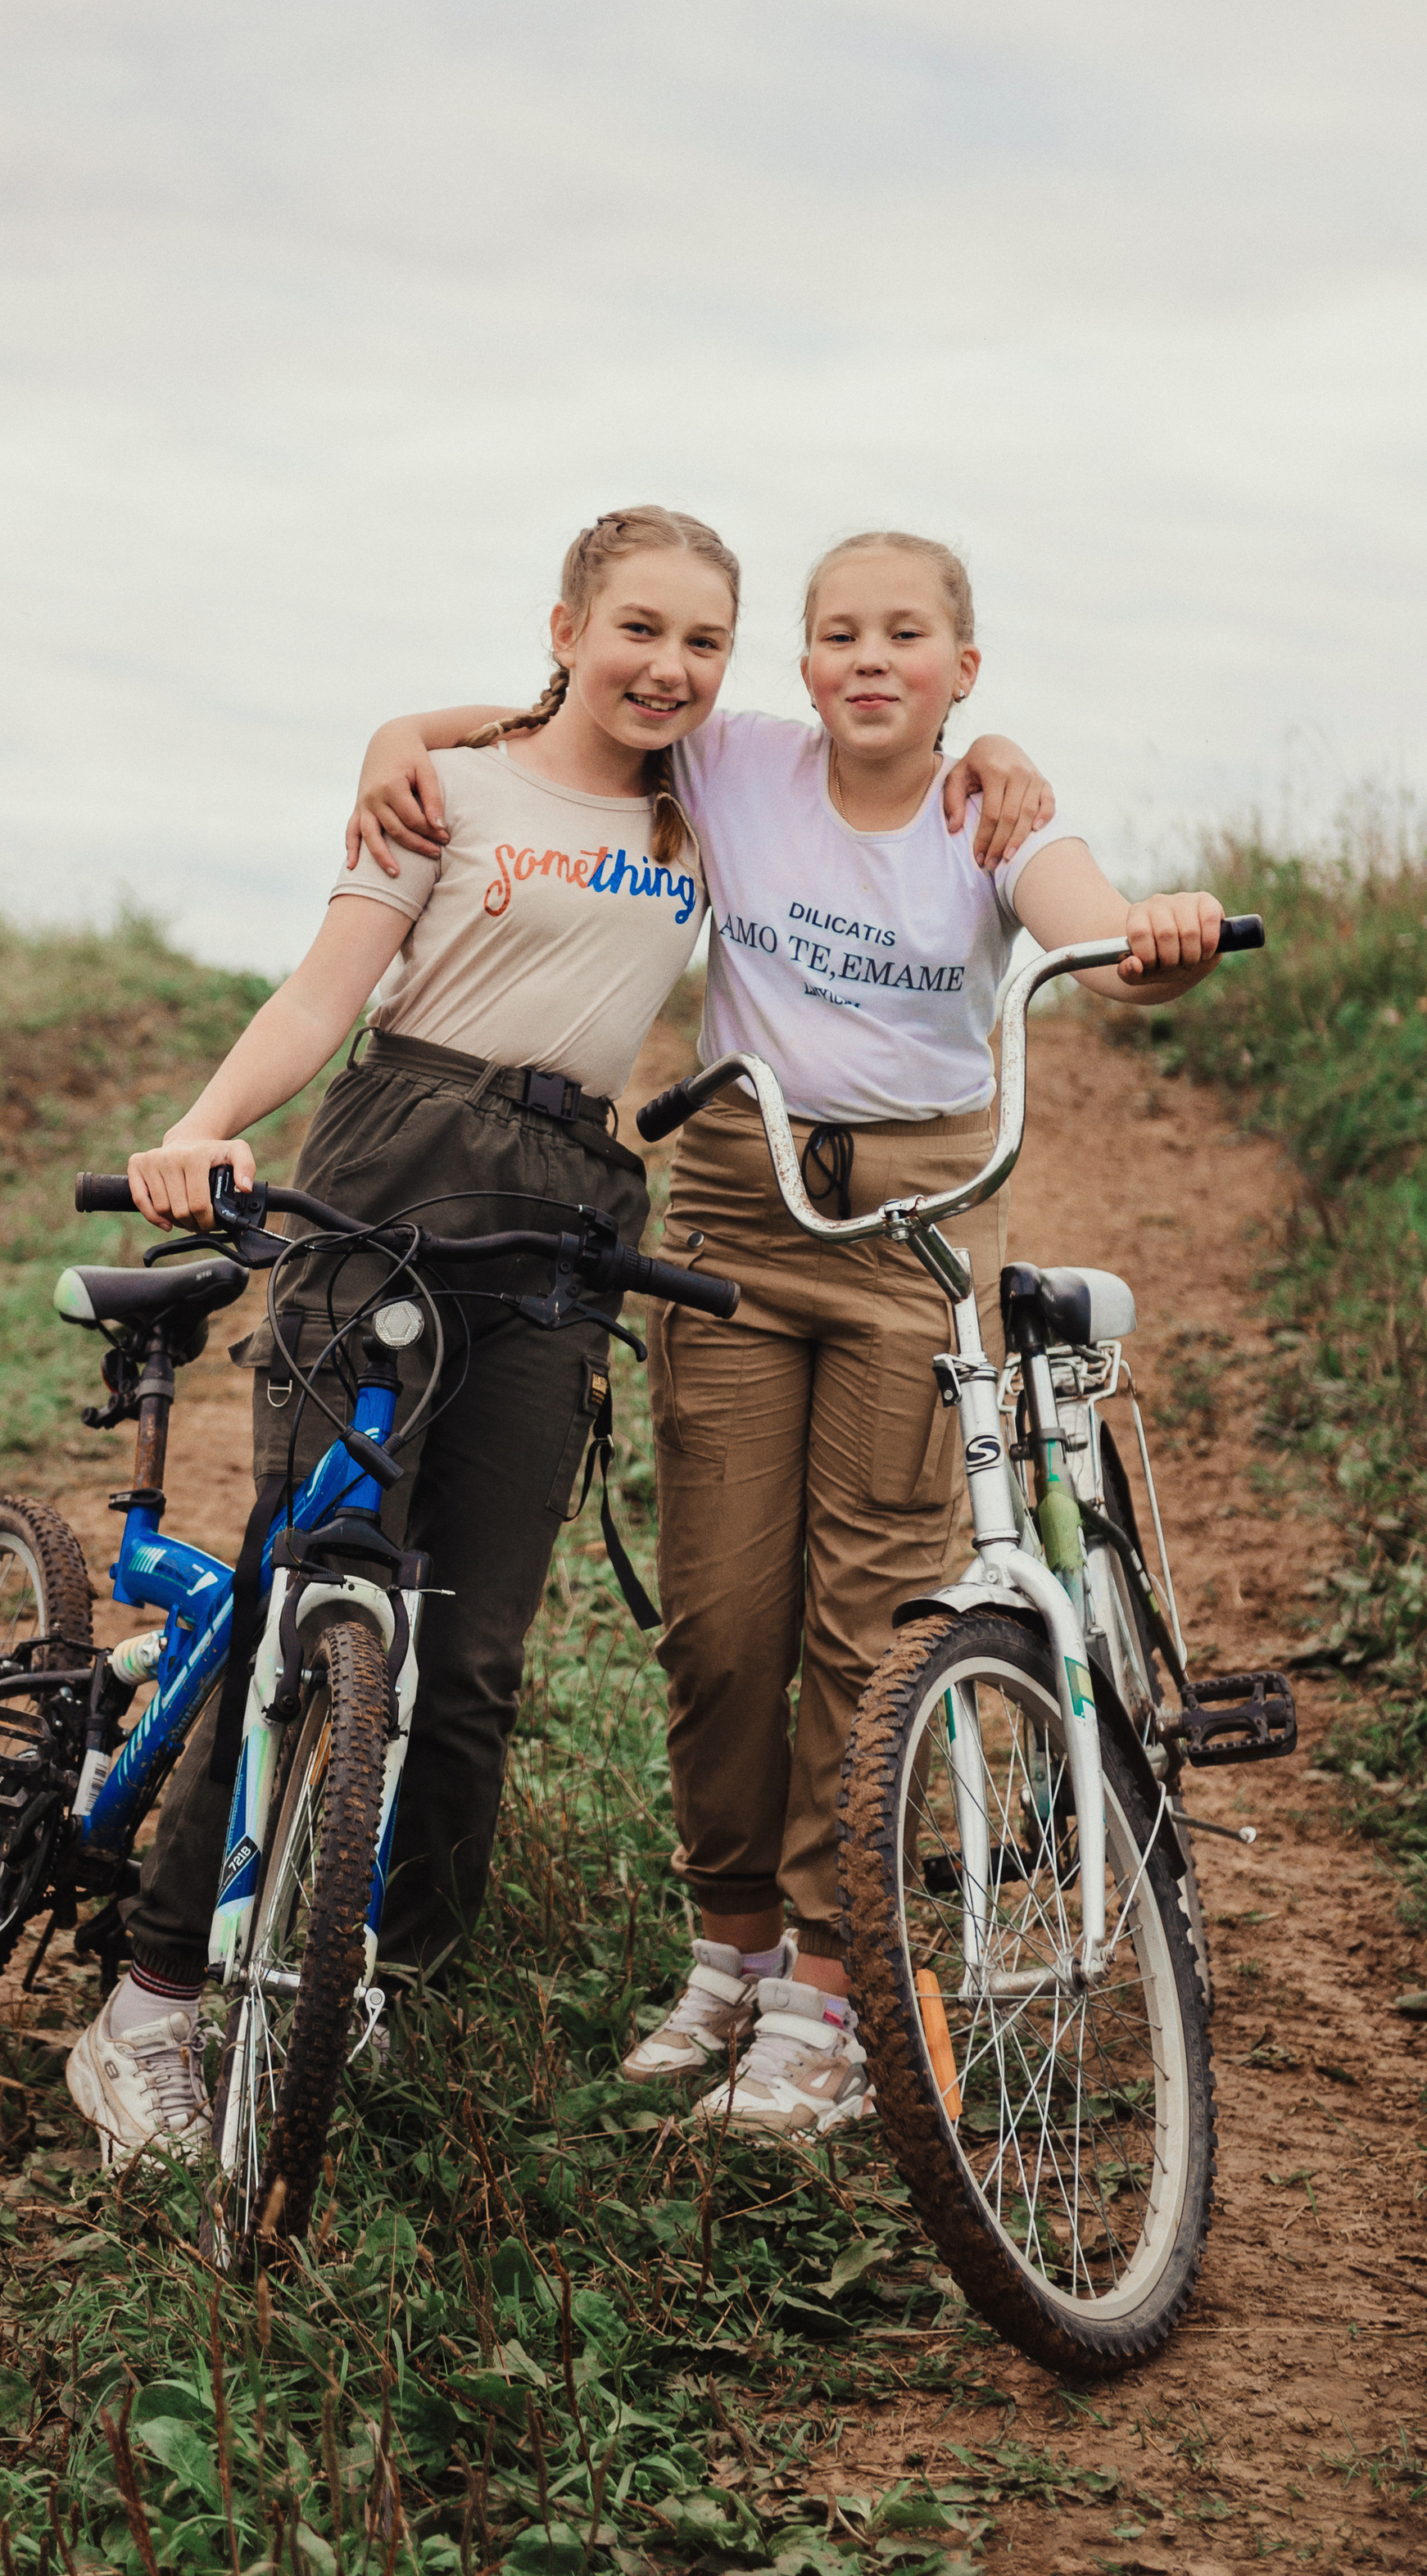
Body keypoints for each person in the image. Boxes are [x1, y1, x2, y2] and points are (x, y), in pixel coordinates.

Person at [67, 505, 1040, 2168]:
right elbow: (322, 993)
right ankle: (149, 1999)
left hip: (576, 1200)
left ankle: (391, 1984)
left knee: (474, 1646)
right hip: (399, 1150)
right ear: (566, 625)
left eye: (702, 642)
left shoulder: (712, 803)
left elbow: (882, 764)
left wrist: (999, 750)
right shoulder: (447, 787)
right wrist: (206, 1122)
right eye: (636, 629)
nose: (666, 666)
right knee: (316, 1589)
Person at [346, 528, 1227, 2144]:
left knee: (861, 1621)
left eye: (905, 634)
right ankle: (727, 1952)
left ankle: (828, 1986)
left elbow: (1090, 932)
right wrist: (399, 737)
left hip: (912, 1225)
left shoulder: (989, 814)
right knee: (717, 1621)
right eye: (836, 634)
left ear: (963, 669)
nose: (867, 657)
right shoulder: (737, 765)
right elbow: (564, 715)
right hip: (739, 1205)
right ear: (801, 668)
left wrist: (1151, 938)